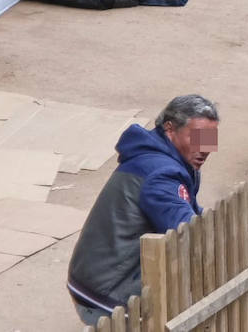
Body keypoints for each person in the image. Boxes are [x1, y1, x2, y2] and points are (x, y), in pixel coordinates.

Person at [66, 94, 220, 325]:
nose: (205, 148)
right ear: (170, 129)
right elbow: (189, 233)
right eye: (197, 137)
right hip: (107, 291)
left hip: (90, 276)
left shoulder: (165, 158)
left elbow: (193, 212)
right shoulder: (162, 174)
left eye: (209, 139)